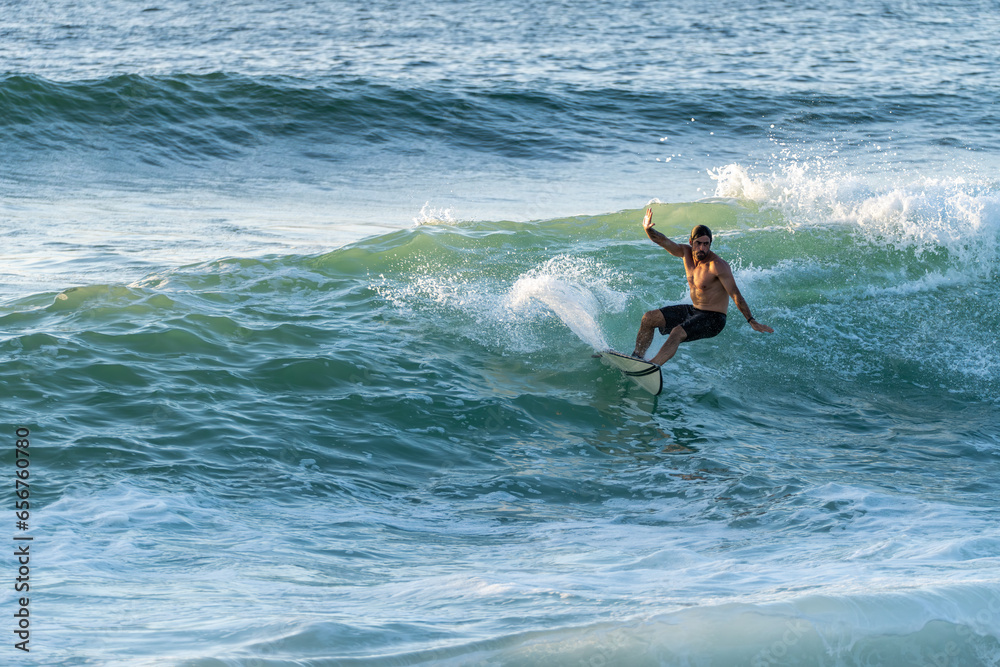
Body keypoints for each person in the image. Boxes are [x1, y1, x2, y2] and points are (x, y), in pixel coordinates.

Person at [633, 208, 773, 365]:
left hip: (714, 319)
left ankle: (651, 366)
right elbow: (662, 240)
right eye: (698, 243)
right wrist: (647, 229)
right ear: (691, 242)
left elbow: (735, 295)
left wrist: (751, 320)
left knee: (677, 332)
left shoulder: (717, 266)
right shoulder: (685, 252)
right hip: (695, 311)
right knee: (649, 318)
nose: (702, 248)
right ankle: (636, 359)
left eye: (706, 244)